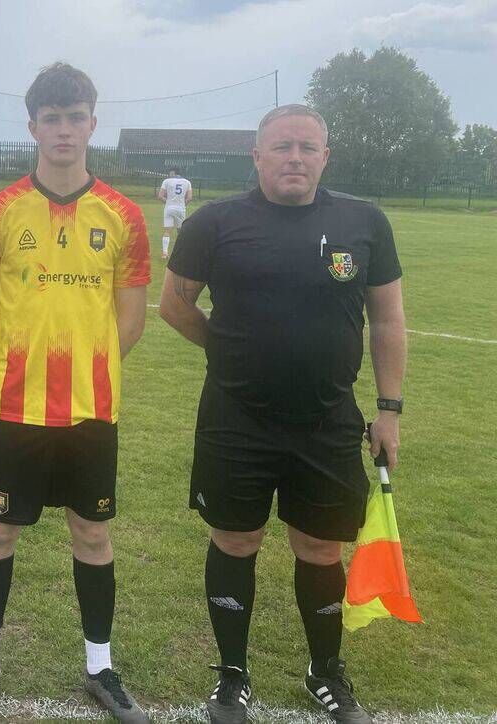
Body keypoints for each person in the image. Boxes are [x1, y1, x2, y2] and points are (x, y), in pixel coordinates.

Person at [159, 104, 405, 724]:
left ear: (326, 155)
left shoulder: (364, 222)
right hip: (235, 418)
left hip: (328, 421)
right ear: (257, 156)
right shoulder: (215, 223)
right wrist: (229, 347)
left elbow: (389, 320)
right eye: (282, 147)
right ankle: (232, 675)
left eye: (307, 147)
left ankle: (326, 672)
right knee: (236, 540)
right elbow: (175, 305)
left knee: (321, 549)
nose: (295, 158)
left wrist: (390, 410)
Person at [0, 63, 151, 724]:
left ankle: (101, 668)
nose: (63, 130)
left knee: (93, 534)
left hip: (92, 411)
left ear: (92, 124)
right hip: (15, 409)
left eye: (75, 118)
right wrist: (19, 368)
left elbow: (131, 319)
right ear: (33, 125)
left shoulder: (123, 216)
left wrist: (89, 367)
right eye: (51, 119)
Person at [157, 166, 192, 259]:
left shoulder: (166, 181)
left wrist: (168, 202)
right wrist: (182, 204)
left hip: (169, 208)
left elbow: (160, 196)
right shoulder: (187, 182)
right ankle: (181, 253)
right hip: (181, 209)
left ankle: (165, 253)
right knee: (180, 232)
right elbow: (189, 198)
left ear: (173, 173)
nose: (169, 174)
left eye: (169, 173)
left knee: (167, 231)